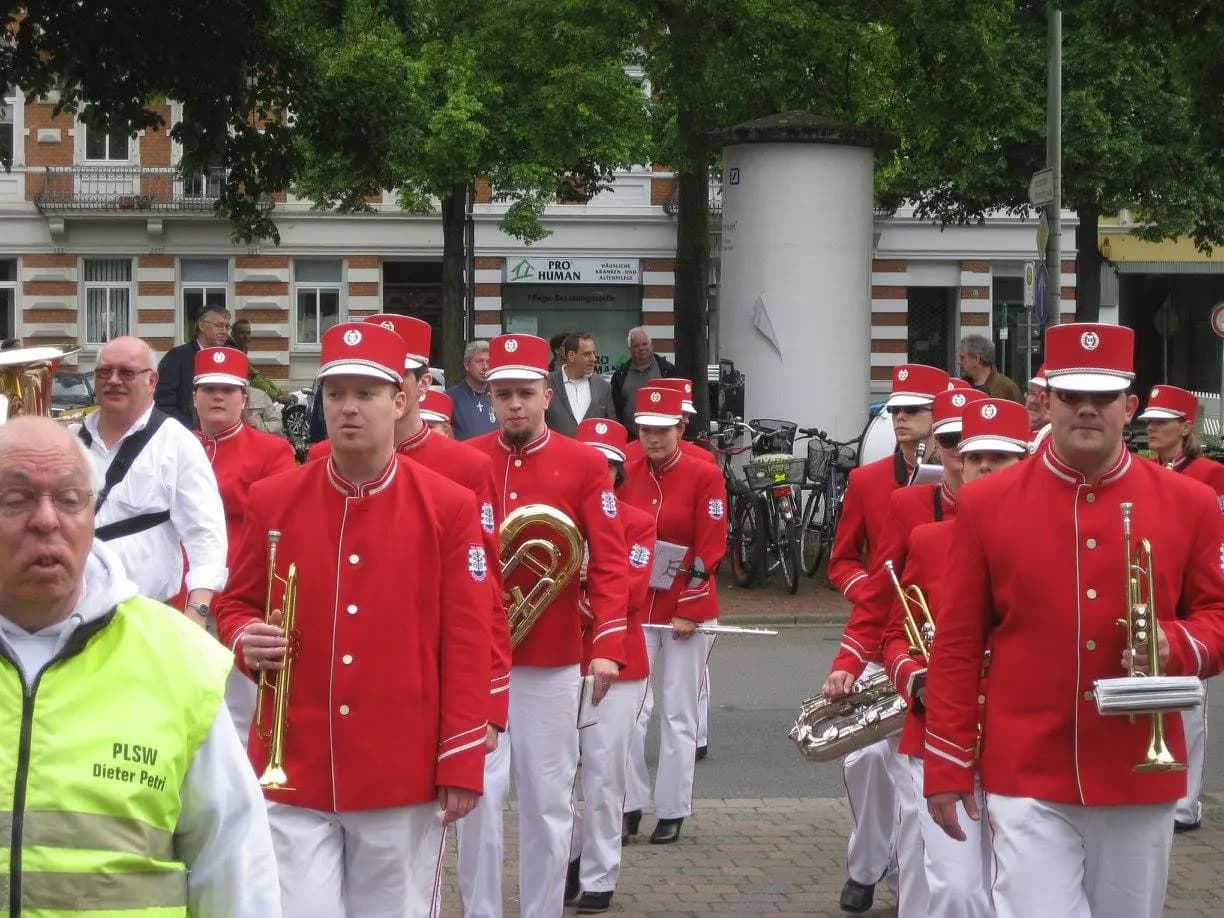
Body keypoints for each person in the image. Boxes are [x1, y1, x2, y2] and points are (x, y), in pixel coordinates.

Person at [925, 323, 1224, 918]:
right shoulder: (986, 504)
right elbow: (958, 645)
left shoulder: (1189, 503)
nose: (1087, 408)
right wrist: (947, 758)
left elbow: (1218, 614)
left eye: (1105, 396)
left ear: (1129, 407)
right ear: (1046, 401)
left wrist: (1173, 644)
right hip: (1026, 766)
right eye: (1070, 395)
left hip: (1139, 764)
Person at [214, 321, 492, 917]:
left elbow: (469, 640)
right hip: (295, 765)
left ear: (400, 402)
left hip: (400, 769)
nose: (348, 408)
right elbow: (233, 603)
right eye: (335, 394)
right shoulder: (274, 498)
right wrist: (243, 636)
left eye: (366, 394)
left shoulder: (449, 506)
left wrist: (462, 756)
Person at [0, 416, 281, 915]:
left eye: (70, 499)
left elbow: (234, 865)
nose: (46, 520)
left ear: (92, 515)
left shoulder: (177, 661)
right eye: (16, 500)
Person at [464, 333, 629, 917]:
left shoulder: (584, 462)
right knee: (475, 800)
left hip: (551, 659)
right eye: (502, 394)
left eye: (525, 394)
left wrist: (607, 645)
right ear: (489, 397)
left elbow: (610, 560)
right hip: (475, 663)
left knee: (547, 802)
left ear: (546, 394)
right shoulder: (468, 459)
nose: (514, 405)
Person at [822, 385, 982, 917]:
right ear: (940, 445)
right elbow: (876, 593)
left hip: (982, 690)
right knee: (869, 761)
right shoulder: (900, 500)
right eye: (956, 444)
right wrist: (850, 661)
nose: (966, 457)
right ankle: (869, 867)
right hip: (906, 659)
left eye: (981, 447)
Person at [882, 398, 1029, 918]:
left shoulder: (1051, 540)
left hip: (1022, 743)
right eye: (974, 457)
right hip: (940, 735)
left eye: (999, 458)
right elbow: (895, 635)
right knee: (956, 890)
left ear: (1026, 464)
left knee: (1014, 892)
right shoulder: (928, 538)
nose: (984, 467)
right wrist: (916, 678)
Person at [621, 385, 728, 846]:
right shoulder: (625, 469)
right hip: (634, 602)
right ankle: (626, 804)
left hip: (685, 602)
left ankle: (672, 809)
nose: (652, 439)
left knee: (678, 711)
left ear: (681, 427)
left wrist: (691, 607)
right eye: (645, 430)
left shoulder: (704, 472)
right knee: (627, 710)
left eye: (662, 431)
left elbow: (712, 545)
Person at [566, 417, 656, 914]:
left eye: (610, 466)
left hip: (618, 663)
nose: (601, 472)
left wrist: (578, 599)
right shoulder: (556, 517)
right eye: (592, 465)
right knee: (557, 776)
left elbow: (632, 590)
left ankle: (600, 873)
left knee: (602, 776)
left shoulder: (637, 521)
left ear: (620, 473)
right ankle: (569, 858)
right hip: (558, 660)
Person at [74, 336, 227, 617]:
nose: (114, 380)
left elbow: (206, 535)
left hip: (145, 617)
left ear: (153, 381)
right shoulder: (69, 441)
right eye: (104, 372)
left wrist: (197, 613)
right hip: (68, 616)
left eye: (127, 372)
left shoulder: (178, 442)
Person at [192, 345, 296, 735]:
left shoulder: (272, 450)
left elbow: (281, 519)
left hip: (239, 595)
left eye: (229, 389)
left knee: (239, 712)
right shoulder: (178, 445)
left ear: (244, 399)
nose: (218, 396)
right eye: (209, 389)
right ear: (195, 397)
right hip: (182, 598)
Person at [1139, 383, 1224, 833]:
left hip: (1191, 601)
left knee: (1190, 704)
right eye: (1149, 421)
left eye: (1161, 421)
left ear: (1186, 427)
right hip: (1152, 596)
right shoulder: (1149, 469)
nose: (1150, 428)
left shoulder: (1210, 474)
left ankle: (1186, 804)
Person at [155, 305, 232, 427]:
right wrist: (190, 431)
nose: (224, 331)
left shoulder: (228, 359)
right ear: (201, 326)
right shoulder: (177, 357)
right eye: (219, 325)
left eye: (227, 327)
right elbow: (163, 404)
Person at [545, 332, 616, 437]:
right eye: (587, 354)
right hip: (557, 451)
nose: (593, 358)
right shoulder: (547, 382)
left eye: (594, 353)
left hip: (592, 451)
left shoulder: (603, 387)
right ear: (571, 356)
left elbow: (611, 427)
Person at [611, 327, 678, 435]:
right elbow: (615, 409)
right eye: (636, 346)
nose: (641, 348)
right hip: (630, 438)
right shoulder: (620, 375)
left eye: (644, 344)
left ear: (651, 346)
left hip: (662, 436)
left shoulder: (668, 371)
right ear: (630, 350)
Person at [447, 340, 499, 440]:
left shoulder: (498, 396)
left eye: (488, 362)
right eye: (479, 362)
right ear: (467, 365)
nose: (485, 367)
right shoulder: (450, 398)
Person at [229, 317, 289, 404]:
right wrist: (276, 396)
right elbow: (254, 379)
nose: (246, 336)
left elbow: (259, 376)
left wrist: (280, 392)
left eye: (248, 333)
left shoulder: (241, 350)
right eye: (242, 333)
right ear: (233, 335)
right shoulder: (234, 353)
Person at [958, 333, 1022, 403]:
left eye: (962, 358)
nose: (959, 362)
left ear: (977, 358)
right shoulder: (960, 388)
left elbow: (1019, 413)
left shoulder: (1007, 389)